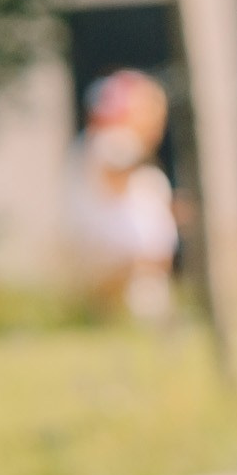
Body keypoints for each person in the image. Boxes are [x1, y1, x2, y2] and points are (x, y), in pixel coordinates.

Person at [68, 68, 178, 323]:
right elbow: (115, 170)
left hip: (144, 274)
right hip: (122, 271)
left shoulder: (123, 147)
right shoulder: (109, 141)